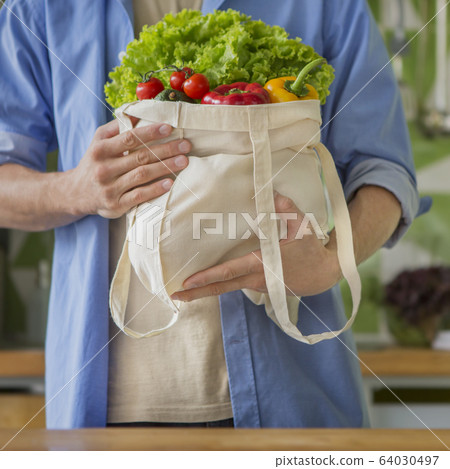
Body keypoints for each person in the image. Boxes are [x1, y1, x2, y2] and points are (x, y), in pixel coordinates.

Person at [0, 0, 430, 429]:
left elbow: (384, 170)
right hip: (106, 412)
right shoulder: (40, 10)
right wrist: (75, 189)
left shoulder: (325, 6)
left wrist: (330, 261)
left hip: (289, 398)